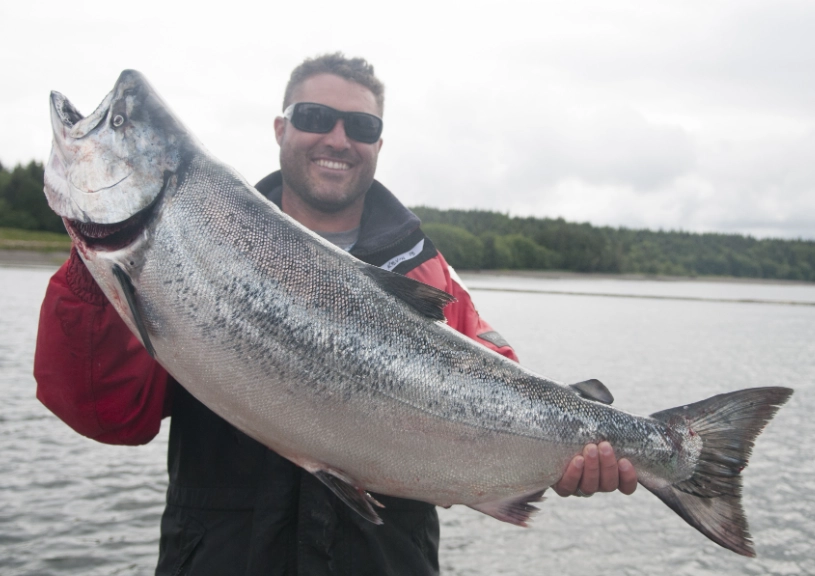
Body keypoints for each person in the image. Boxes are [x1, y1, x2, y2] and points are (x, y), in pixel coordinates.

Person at [34, 53, 636, 576]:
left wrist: (567, 457)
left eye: (362, 125)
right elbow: (107, 415)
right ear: (280, 128)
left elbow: (504, 395)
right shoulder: (189, 248)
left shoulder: (429, 274)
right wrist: (96, 268)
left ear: (378, 143)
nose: (337, 139)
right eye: (315, 118)